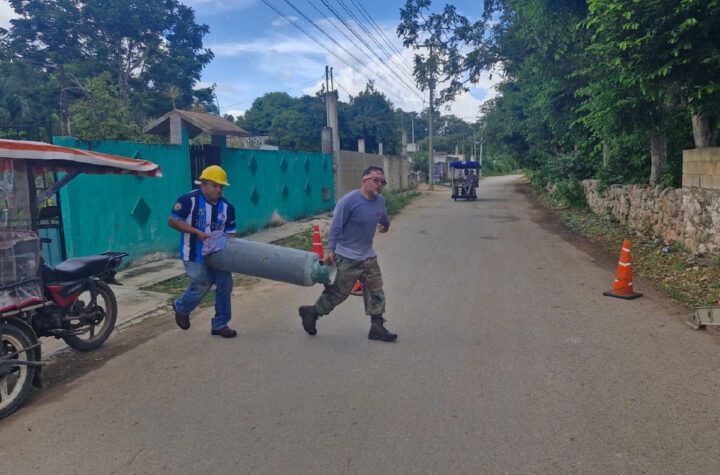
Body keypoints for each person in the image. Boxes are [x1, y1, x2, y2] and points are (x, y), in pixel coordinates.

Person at [298, 166, 397, 342]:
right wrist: (331, 250)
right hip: (346, 255)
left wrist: (386, 225)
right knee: (339, 293)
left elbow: (384, 217)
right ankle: (312, 313)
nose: (380, 185)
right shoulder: (349, 201)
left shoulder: (380, 201)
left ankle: (377, 327)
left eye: (383, 182)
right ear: (365, 180)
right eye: (376, 180)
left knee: (376, 289)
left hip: (367, 255)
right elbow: (336, 227)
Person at [168, 165, 238, 338]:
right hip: (193, 253)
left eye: (221, 186)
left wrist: (231, 252)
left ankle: (220, 324)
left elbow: (231, 234)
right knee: (202, 283)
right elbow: (173, 221)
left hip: (218, 255)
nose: (218, 189)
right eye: (214, 185)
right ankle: (182, 307)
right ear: (203, 184)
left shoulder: (227, 207)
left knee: (225, 285)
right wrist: (197, 232)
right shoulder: (188, 200)